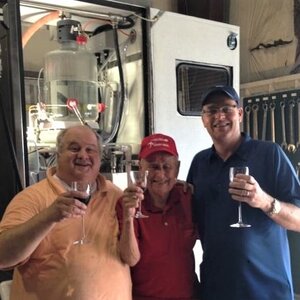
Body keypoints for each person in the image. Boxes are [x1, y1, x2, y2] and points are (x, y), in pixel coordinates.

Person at [187, 85, 300, 300]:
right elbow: (193, 219)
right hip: (216, 286)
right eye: (211, 110)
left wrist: (265, 201)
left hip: (266, 289)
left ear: (239, 113)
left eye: (226, 108)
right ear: (203, 119)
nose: (219, 116)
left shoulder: (270, 154)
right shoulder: (200, 162)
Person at [0, 125, 131, 300]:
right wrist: (49, 217)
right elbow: (3, 256)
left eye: (90, 150)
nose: (83, 155)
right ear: (58, 154)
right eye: (74, 148)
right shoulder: (32, 198)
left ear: (100, 158)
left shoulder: (115, 195)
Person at [118, 133, 200, 300]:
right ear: (141, 168)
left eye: (167, 167)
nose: (160, 175)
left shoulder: (187, 197)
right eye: (153, 167)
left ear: (177, 169)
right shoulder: (127, 203)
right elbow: (130, 259)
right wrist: (128, 217)